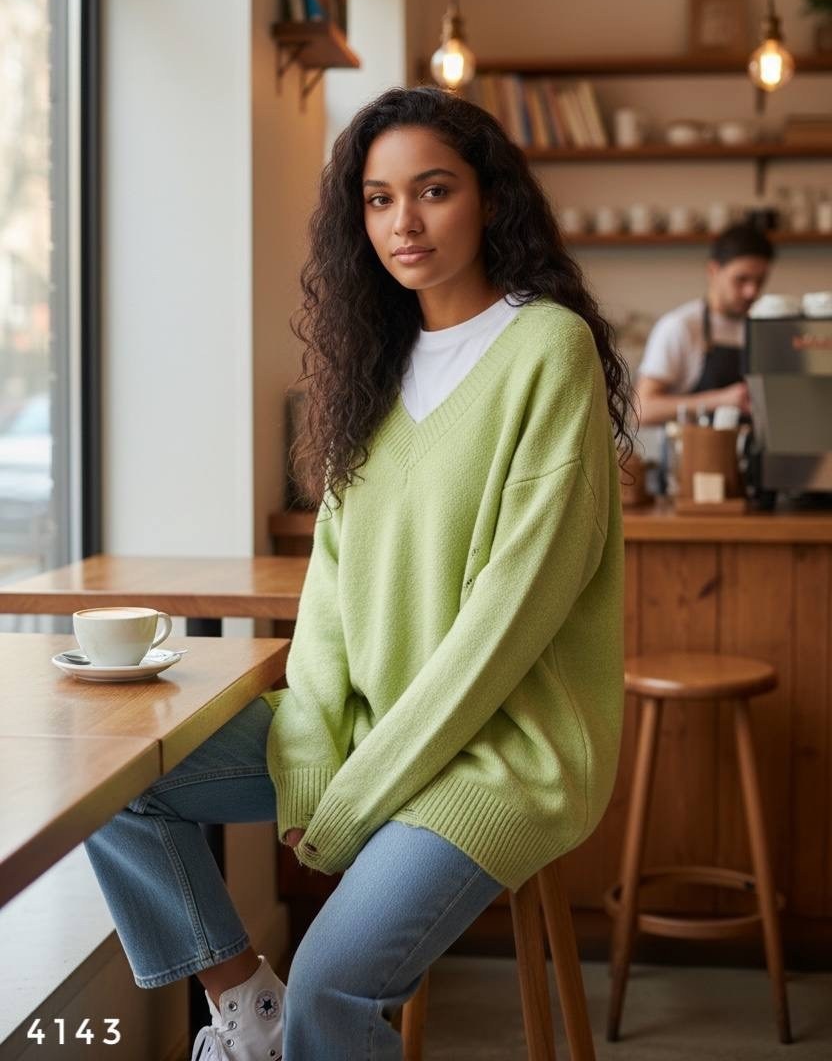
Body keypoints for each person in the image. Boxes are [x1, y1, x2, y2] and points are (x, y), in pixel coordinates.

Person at [85, 86, 633, 1061]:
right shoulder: (372, 366)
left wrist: (344, 805)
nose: (403, 223)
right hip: (372, 738)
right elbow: (329, 599)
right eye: (378, 200)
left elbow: (507, 619)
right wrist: (309, 768)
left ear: (489, 200)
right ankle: (244, 1007)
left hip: (501, 753)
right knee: (115, 777)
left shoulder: (548, 349)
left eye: (432, 190)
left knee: (332, 984)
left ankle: (285, 1018)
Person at [635, 221, 776, 427]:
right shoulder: (680, 326)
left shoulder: (763, 328)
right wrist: (719, 401)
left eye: (760, 281)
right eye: (741, 279)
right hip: (693, 456)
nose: (751, 292)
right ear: (713, 270)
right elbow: (643, 410)